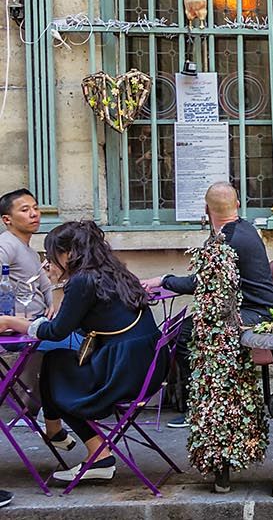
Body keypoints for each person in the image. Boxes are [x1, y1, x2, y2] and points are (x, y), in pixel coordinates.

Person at [0, 221, 162, 484]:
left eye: (51, 255)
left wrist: (10, 322)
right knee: (57, 361)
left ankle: (95, 453)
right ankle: (58, 431)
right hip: (143, 367)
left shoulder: (83, 281)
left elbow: (57, 332)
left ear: (68, 254)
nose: (48, 261)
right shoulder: (112, 271)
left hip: (122, 371)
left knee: (57, 368)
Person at [142, 182, 273, 430]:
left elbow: (200, 283)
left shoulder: (227, 240)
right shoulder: (244, 228)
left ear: (206, 209)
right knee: (180, 327)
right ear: (237, 204)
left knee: (183, 334)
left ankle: (202, 405)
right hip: (255, 309)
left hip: (252, 316)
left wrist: (163, 280)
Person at [0, 188, 62, 420]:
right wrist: (9, 320)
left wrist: (52, 303)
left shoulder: (27, 249)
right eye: (25, 210)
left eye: (35, 208)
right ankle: (60, 410)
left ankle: (47, 409)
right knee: (81, 344)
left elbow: (44, 285)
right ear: (7, 219)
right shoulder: (6, 245)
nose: (34, 214)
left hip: (40, 323)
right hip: (23, 331)